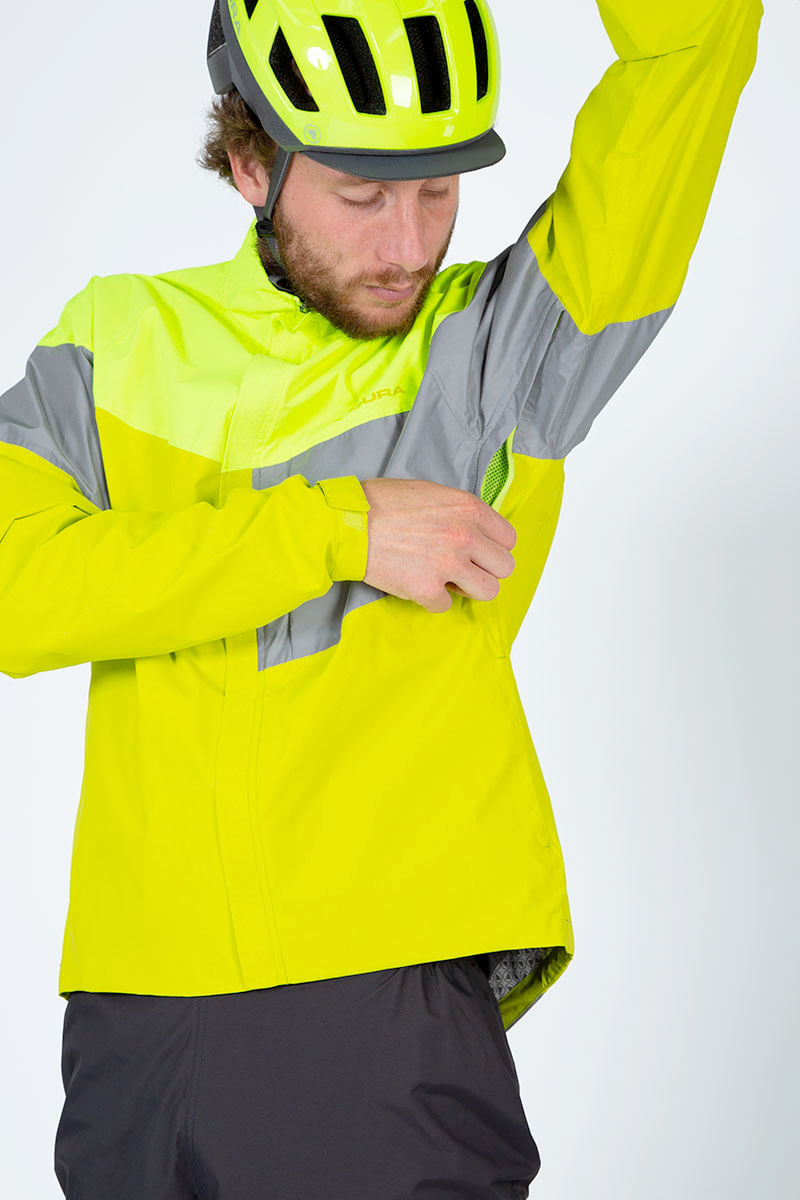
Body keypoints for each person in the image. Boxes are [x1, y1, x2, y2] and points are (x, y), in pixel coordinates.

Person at [0, 0, 762, 1196]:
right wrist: (339, 527)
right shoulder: (112, 341)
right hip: (130, 1019)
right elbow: (19, 596)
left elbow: (693, 49)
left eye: (438, 192)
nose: (408, 244)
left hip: (377, 1008)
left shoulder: (497, 354)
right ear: (250, 165)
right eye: (361, 196)